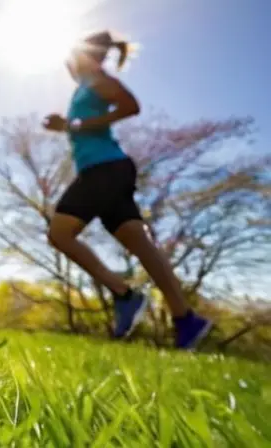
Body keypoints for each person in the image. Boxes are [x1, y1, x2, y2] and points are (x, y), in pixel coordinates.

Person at [42, 30, 212, 349]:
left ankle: (124, 294)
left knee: (60, 233)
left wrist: (75, 125)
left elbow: (131, 106)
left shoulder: (98, 80)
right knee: (139, 242)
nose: (68, 61)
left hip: (103, 169)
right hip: (112, 169)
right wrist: (67, 124)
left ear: (87, 55)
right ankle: (186, 319)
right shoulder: (84, 86)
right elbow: (83, 113)